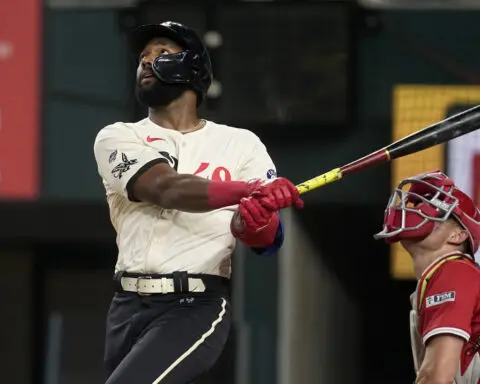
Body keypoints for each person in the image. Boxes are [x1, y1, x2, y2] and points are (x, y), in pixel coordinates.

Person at [93, 20, 303, 384]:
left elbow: (265, 239)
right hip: (125, 305)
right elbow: (166, 189)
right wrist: (247, 190)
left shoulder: (241, 144)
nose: (146, 61)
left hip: (194, 304)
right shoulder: (118, 136)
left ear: (193, 68)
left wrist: (254, 219)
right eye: (143, 55)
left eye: (162, 53)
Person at [373, 170, 480, 384]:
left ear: (457, 235)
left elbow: (437, 376)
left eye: (436, 208)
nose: (417, 210)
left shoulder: (454, 271)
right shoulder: (445, 274)